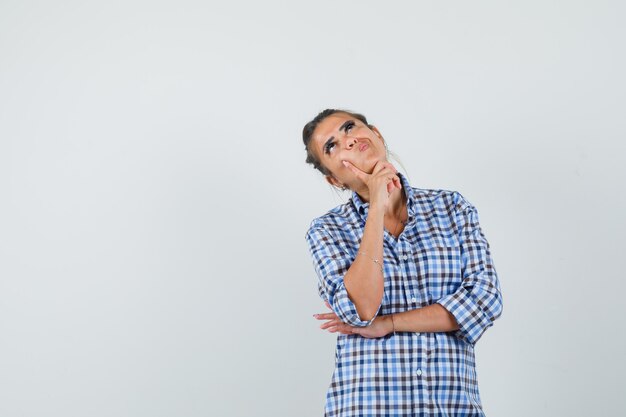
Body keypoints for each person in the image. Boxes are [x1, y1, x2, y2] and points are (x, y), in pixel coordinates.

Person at [303, 109, 503, 417]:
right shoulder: (327, 230)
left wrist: (390, 323)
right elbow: (360, 310)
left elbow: (484, 300)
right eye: (332, 145)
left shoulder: (452, 208)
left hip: (451, 408)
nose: (349, 141)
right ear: (334, 178)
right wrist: (376, 206)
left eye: (349, 127)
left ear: (376, 134)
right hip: (367, 407)